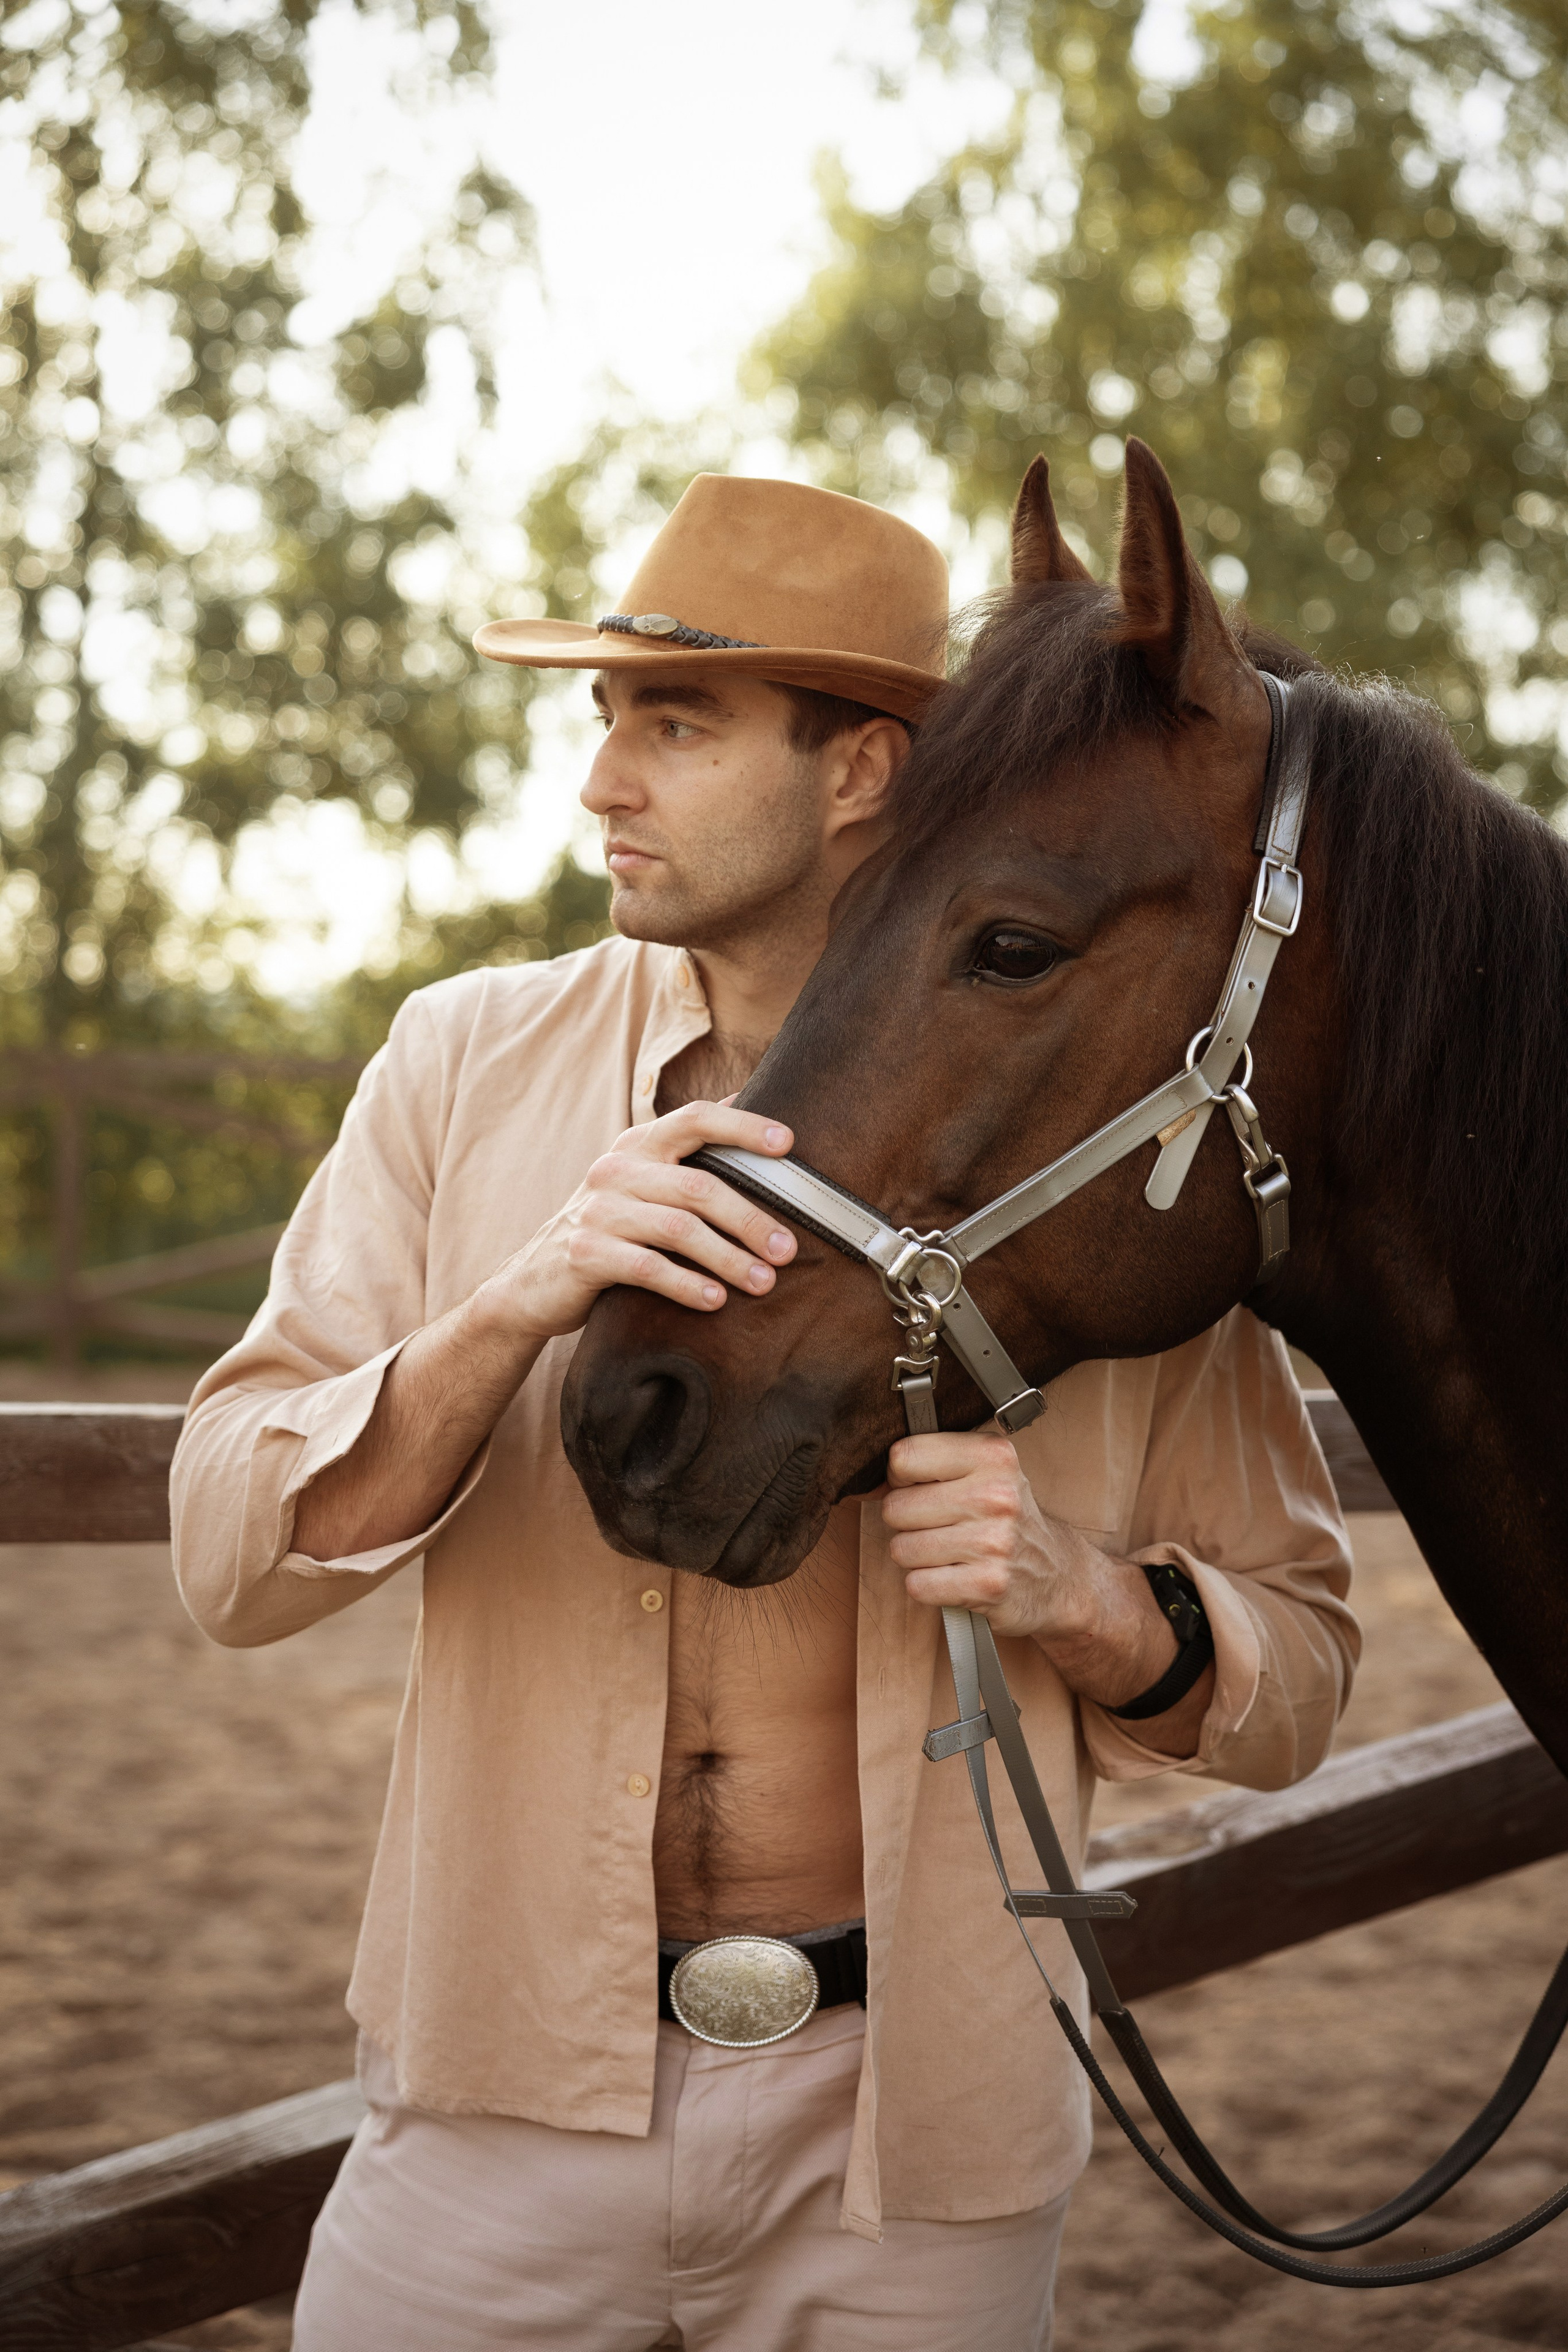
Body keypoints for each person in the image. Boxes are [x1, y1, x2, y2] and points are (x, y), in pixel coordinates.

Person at [170, 472, 1358, 2352]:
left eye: (676, 724)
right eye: (608, 720)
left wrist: (1092, 1604)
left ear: (863, 773)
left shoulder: (1084, 1125)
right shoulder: (460, 1066)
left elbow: (1300, 1662)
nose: (602, 784)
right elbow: (231, 1552)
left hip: (918, 2130)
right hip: (499, 2094)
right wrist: (512, 1308)